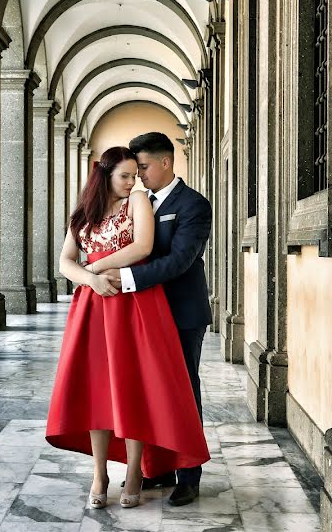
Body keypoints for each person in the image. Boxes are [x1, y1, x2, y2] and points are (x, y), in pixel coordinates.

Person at [45, 146, 209, 510]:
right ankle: (101, 473)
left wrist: (96, 269)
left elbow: (144, 247)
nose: (134, 180)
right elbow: (64, 262)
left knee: (143, 387)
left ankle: (155, 472)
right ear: (105, 175)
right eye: (127, 175)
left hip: (137, 304)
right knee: (97, 389)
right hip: (93, 305)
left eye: (138, 173)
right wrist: (90, 278)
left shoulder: (141, 202)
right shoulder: (83, 213)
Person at [99, 131, 213, 507]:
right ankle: (158, 467)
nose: (138, 176)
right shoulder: (135, 201)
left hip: (181, 313)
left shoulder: (194, 205)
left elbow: (180, 261)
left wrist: (126, 278)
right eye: (133, 170)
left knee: (181, 393)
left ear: (166, 162)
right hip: (141, 316)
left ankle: (189, 475)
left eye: (144, 167)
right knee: (147, 392)